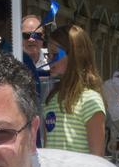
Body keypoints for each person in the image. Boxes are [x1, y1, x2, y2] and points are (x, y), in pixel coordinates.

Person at [41, 23, 106, 156]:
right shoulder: (51, 99)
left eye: (54, 54)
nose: (49, 60)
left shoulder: (90, 100)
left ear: (74, 55)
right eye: (48, 54)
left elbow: (97, 158)